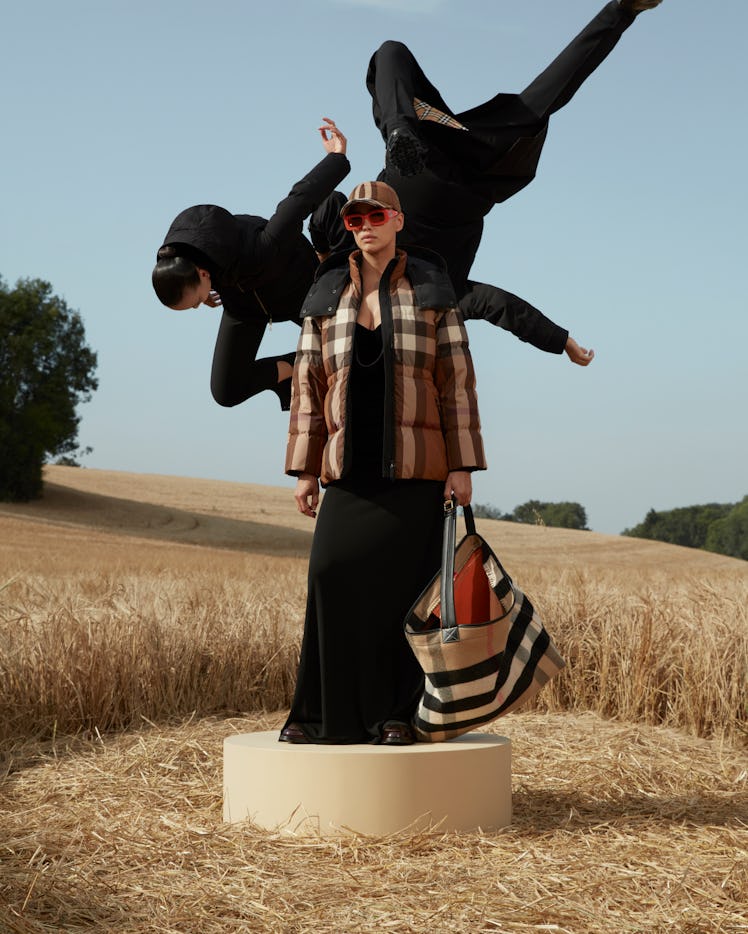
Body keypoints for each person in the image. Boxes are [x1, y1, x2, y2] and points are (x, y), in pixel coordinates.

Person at [310, 1, 665, 368]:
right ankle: (400, 127)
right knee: (388, 54)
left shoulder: (442, 299)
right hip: (421, 171)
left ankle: (623, 10)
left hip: (466, 180)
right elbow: (325, 210)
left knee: (542, 99)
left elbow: (499, 305)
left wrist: (561, 341)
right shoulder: (389, 286)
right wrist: (328, 252)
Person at [280, 181, 486, 746]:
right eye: (354, 219)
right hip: (348, 469)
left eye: (375, 215)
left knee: (403, 593)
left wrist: (462, 463)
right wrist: (304, 469)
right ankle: (321, 713)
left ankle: (396, 713)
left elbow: (456, 381)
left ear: (398, 220)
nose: (364, 225)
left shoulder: (429, 287)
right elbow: (307, 384)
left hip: (418, 471)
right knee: (329, 573)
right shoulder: (325, 295)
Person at [152, 119, 350, 412]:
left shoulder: (263, 247)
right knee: (226, 391)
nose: (199, 306)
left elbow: (298, 201)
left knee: (349, 347)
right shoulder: (180, 258)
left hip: (300, 294)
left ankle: (320, 356)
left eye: (194, 302)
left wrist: (336, 157)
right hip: (245, 308)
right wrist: (204, 291)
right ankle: (291, 367)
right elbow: (189, 265)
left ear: (203, 273)